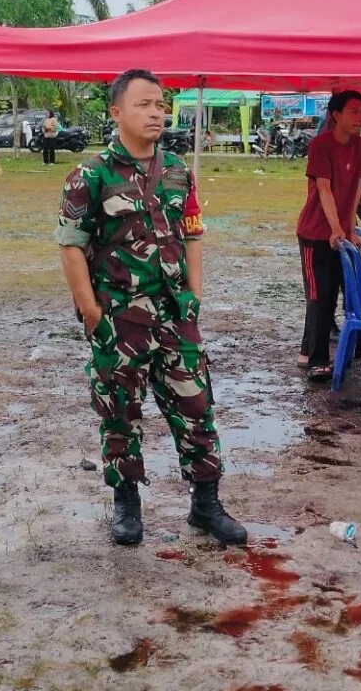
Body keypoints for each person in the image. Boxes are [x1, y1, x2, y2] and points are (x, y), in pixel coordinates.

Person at [57, 68, 247, 547]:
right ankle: (126, 505)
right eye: (144, 104)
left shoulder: (180, 170)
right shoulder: (90, 175)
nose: (157, 113)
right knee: (119, 411)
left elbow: (194, 233)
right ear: (116, 112)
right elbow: (72, 246)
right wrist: (90, 311)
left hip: (175, 315)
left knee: (196, 405)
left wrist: (195, 293)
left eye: (161, 104)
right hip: (119, 317)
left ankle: (206, 504)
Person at [294, 90, 361, 384]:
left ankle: (312, 349)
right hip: (315, 233)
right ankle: (317, 360)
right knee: (318, 295)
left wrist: (349, 229)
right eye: (352, 111)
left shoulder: (360, 145)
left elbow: (355, 191)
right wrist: (334, 228)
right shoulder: (320, 144)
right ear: (335, 115)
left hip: (341, 233)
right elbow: (324, 188)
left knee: (337, 293)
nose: (359, 118)